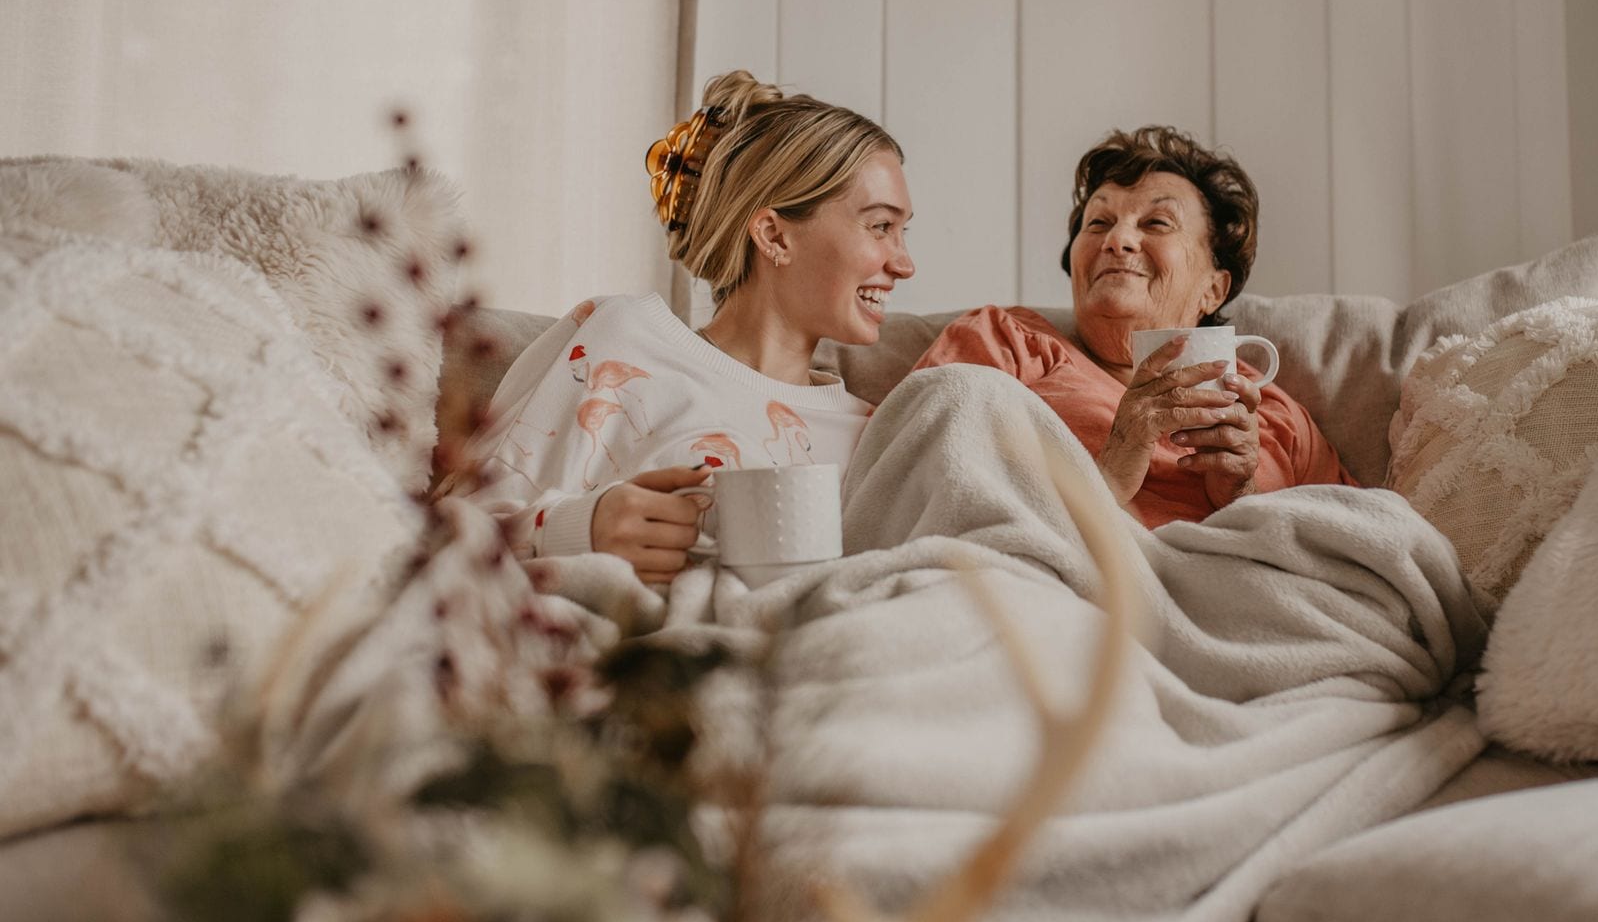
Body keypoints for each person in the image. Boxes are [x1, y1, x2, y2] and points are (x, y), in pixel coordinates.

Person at [451, 70, 915, 585]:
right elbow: (444, 533)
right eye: (880, 227)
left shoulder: (879, 435)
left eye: (903, 232)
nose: (904, 264)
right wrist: (580, 528)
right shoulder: (621, 342)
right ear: (774, 235)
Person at [913, 125, 1351, 528]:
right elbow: (912, 491)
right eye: (1098, 222)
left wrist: (1241, 496)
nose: (1116, 240)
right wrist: (1105, 479)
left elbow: (1352, 538)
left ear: (1213, 290)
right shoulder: (1002, 343)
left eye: (1156, 223)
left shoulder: (1272, 412)